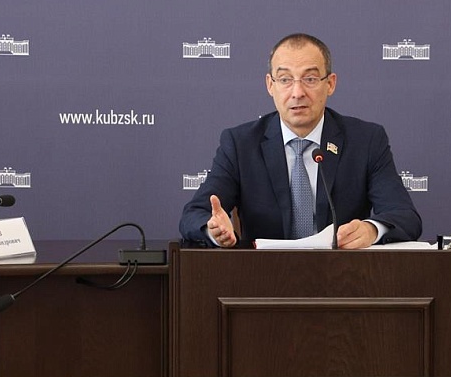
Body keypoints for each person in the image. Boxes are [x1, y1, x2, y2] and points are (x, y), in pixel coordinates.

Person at [180, 33, 422, 248]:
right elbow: (194, 213)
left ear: (330, 84)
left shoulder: (366, 140)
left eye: (310, 79)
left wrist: (371, 230)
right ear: (270, 85)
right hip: (263, 277)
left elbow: (405, 216)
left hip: (343, 275)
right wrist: (214, 230)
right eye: (285, 79)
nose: (297, 93)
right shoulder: (240, 144)